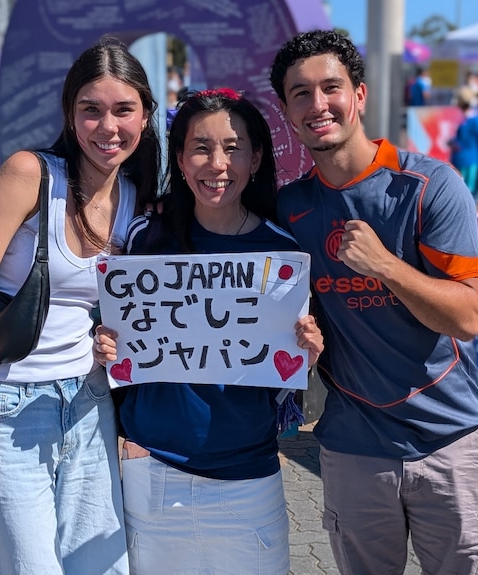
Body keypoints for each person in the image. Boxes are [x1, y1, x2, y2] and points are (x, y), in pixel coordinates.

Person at [269, 30, 478, 575]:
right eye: (300, 93)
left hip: (450, 443)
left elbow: (469, 317)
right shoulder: (291, 206)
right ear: (285, 110)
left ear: (360, 96)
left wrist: (385, 265)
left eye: (331, 87)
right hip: (352, 449)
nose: (317, 104)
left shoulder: (429, 185)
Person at [0, 35, 161, 575]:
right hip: (7, 410)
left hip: (89, 402)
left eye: (123, 110)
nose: (108, 127)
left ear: (146, 115)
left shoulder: (139, 194)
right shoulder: (29, 175)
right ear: (70, 114)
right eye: (91, 110)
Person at [93, 88, 324, 575]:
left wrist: (309, 351)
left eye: (234, 147)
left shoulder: (282, 254)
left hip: (248, 480)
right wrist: (105, 343)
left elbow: (284, 380)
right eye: (200, 147)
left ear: (257, 157)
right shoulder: (144, 238)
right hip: (151, 476)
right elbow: (121, 338)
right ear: (179, 158)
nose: (217, 163)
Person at [449, 86, 478, 196]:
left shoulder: (465, 120)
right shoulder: (475, 119)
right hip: (472, 158)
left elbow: (461, 141)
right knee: (469, 189)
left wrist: (453, 143)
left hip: (462, 158)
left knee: (461, 189)